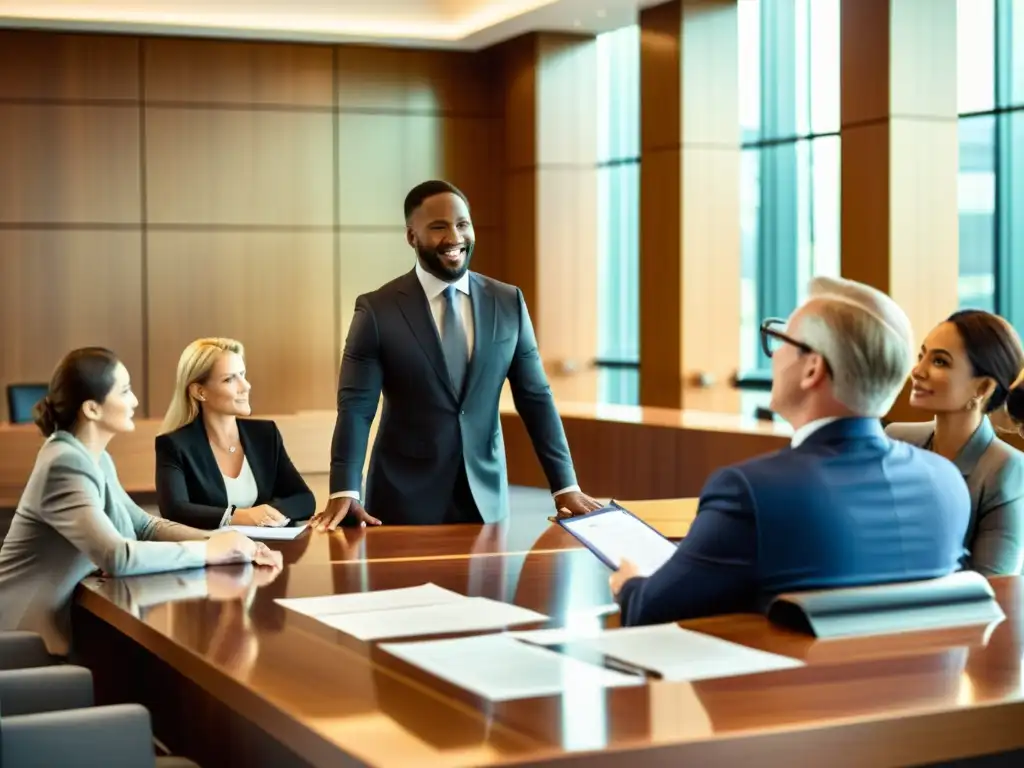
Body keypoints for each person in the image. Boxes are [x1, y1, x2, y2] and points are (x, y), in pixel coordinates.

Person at [610, 277, 972, 626]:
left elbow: (651, 610)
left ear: (812, 368)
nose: (774, 354)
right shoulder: (946, 482)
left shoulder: (751, 492)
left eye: (780, 338)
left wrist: (629, 584)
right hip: (916, 688)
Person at [310, 179, 600, 530]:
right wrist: (345, 489)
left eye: (462, 224)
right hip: (402, 499)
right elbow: (356, 408)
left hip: (486, 499)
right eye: (438, 227)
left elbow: (535, 398)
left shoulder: (508, 303)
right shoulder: (377, 311)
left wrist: (565, 484)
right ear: (411, 237)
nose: (455, 237)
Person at [0, 347, 281, 657]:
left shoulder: (95, 457)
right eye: (125, 391)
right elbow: (117, 557)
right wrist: (207, 551)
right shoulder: (64, 463)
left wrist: (226, 540)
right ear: (92, 409)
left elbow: (143, 525)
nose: (134, 401)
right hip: (19, 648)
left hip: (50, 640)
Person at [885, 310, 1024, 575]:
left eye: (939, 361)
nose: (917, 371)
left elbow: (994, 586)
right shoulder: (896, 439)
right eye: (921, 355)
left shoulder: (1007, 469)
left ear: (983, 388)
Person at [155, 338, 315, 529]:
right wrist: (240, 516)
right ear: (200, 392)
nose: (245, 386)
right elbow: (174, 510)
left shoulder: (265, 435)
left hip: (270, 551)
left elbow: (304, 499)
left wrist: (266, 514)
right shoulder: (174, 445)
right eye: (229, 379)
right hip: (210, 553)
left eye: (242, 374)